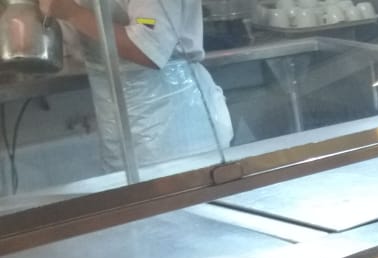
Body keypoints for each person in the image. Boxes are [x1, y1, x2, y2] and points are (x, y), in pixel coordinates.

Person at [38, 0, 233, 171]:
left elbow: (147, 47)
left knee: (180, 204)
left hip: (178, 131)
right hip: (120, 127)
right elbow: (77, 39)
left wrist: (73, 13)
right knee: (133, 203)